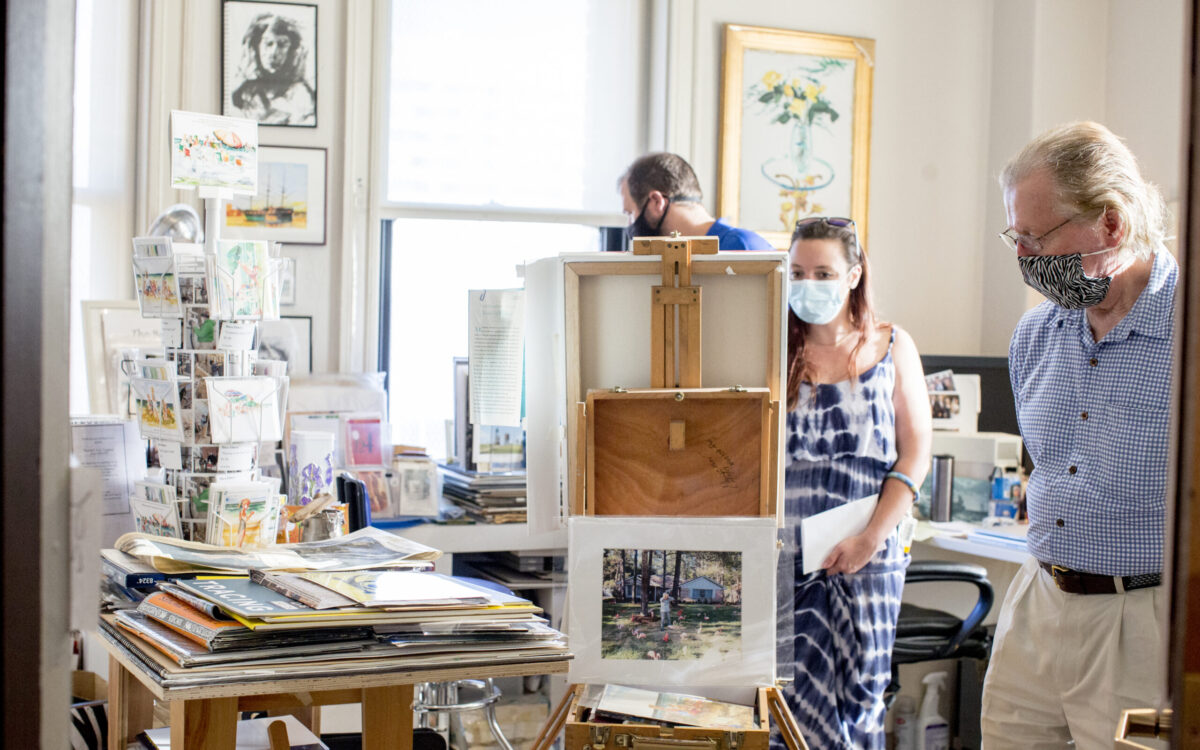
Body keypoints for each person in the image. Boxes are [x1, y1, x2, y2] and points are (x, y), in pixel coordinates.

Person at [980, 122, 1174, 749]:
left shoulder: (1188, 337)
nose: (1024, 259)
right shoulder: (1035, 337)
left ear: (1110, 224)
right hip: (1037, 599)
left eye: (1037, 237)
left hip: (1142, 622)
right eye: (1017, 237)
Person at [777, 217, 932, 749]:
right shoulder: (771, 349)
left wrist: (870, 539)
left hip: (869, 550)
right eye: (797, 272)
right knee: (786, 700)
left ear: (853, 275)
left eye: (823, 272)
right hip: (788, 557)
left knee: (861, 698)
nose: (808, 284)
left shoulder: (892, 346)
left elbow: (915, 453)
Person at [619, 153, 773, 250]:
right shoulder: (671, 259)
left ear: (656, 202)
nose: (629, 224)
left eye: (630, 213)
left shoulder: (743, 247)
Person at [230, 13, 315, 126]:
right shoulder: (244, 93)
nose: (274, 53)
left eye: (282, 45)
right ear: (256, 47)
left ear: (291, 50)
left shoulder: (301, 94)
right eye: (268, 44)